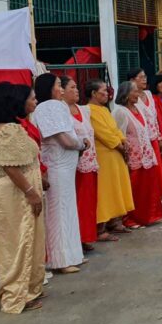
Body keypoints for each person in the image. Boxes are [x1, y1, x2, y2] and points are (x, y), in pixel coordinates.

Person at [0, 83, 46, 313]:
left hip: (13, 192)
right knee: (21, 241)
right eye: (31, 97)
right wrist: (31, 193)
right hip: (16, 194)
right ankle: (17, 294)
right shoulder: (9, 129)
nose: (33, 101)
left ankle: (28, 288)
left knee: (22, 240)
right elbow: (11, 167)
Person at [32, 74, 85, 275]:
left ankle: (72, 254)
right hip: (58, 165)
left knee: (68, 209)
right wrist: (82, 144)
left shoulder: (57, 106)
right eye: (58, 86)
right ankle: (60, 259)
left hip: (65, 164)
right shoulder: (48, 107)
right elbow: (64, 138)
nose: (61, 89)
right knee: (59, 211)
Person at [113, 82, 162, 229]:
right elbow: (119, 135)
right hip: (133, 157)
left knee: (147, 189)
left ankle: (148, 216)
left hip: (146, 154)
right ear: (126, 94)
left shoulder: (138, 108)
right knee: (134, 189)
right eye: (135, 92)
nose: (138, 95)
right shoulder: (120, 112)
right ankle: (130, 219)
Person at [85, 80, 134, 237]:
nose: (107, 94)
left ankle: (116, 220)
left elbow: (114, 129)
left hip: (116, 154)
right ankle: (101, 227)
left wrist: (124, 141)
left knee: (117, 187)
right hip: (105, 154)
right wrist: (120, 146)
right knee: (105, 190)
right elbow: (103, 133)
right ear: (93, 93)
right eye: (103, 91)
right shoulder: (89, 110)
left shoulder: (105, 110)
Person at [64, 77, 99, 249]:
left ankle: (86, 236)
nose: (76, 90)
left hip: (90, 161)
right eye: (72, 87)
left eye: (76, 87)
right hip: (75, 164)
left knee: (89, 202)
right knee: (78, 202)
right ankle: (76, 239)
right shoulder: (62, 112)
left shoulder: (83, 110)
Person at [127, 68, 162, 201]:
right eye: (141, 77)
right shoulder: (131, 99)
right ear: (132, 80)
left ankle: (160, 197)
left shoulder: (149, 94)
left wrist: (159, 136)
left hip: (153, 136)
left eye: (145, 77)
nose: (145, 79)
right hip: (141, 140)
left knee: (157, 169)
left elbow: (154, 117)